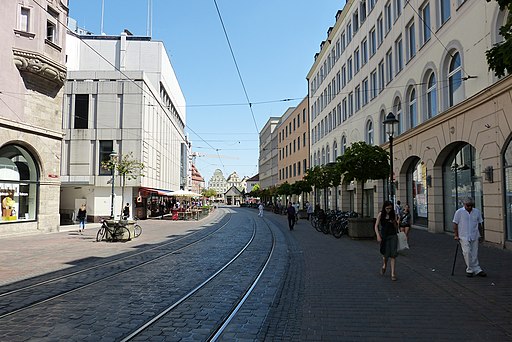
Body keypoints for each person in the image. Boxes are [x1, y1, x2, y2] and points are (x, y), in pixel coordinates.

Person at [453, 197, 486, 277]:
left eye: (471, 205)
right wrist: (456, 235)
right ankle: (469, 269)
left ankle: (477, 269)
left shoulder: (476, 212)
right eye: (468, 205)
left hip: (474, 235)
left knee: (474, 253)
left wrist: (481, 235)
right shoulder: (459, 212)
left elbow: (480, 224)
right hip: (463, 235)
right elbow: (455, 224)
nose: (470, 207)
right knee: (467, 252)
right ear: (464, 205)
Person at [374, 200, 399, 281]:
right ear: (384, 208)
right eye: (387, 208)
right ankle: (384, 265)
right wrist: (378, 235)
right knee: (385, 254)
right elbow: (376, 225)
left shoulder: (393, 214)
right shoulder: (381, 214)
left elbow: (396, 226)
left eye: (390, 208)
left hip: (393, 235)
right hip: (384, 236)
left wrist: (395, 222)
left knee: (393, 254)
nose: (389, 210)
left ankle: (393, 273)